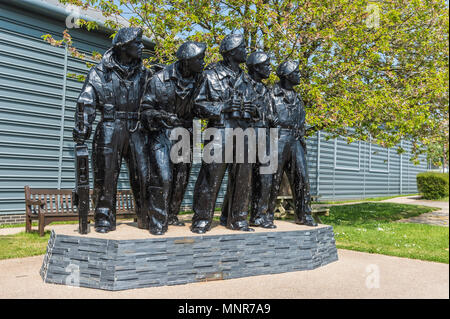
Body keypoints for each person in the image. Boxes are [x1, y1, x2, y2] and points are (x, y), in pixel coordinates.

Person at [72, 27, 152, 233]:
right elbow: (86, 102)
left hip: (137, 128)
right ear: (124, 46)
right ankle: (104, 218)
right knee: (105, 176)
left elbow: (154, 102)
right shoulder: (99, 72)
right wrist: (83, 127)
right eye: (138, 43)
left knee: (143, 175)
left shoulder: (145, 74)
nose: (142, 47)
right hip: (109, 126)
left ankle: (145, 216)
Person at [190, 34, 258, 234]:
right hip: (219, 131)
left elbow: (258, 109)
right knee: (211, 177)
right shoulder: (210, 75)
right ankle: (202, 218)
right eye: (243, 47)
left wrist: (253, 110)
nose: (246, 51)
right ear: (231, 52)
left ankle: (237, 219)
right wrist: (223, 107)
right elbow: (197, 105)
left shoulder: (247, 80)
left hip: (244, 133)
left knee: (243, 178)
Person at [141, 41, 206, 235]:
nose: (203, 62)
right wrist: (161, 116)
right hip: (162, 133)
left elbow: (201, 104)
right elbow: (145, 110)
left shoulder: (200, 80)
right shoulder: (159, 80)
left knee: (181, 179)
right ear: (187, 62)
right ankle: (157, 221)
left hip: (185, 133)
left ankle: (171, 215)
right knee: (163, 177)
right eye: (199, 59)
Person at [268, 60, 317, 226]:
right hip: (278, 137)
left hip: (295, 139)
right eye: (296, 72)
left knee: (302, 178)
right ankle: (266, 215)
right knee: (272, 179)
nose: (299, 75)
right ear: (287, 76)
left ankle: (303, 215)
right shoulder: (271, 94)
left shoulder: (297, 97)